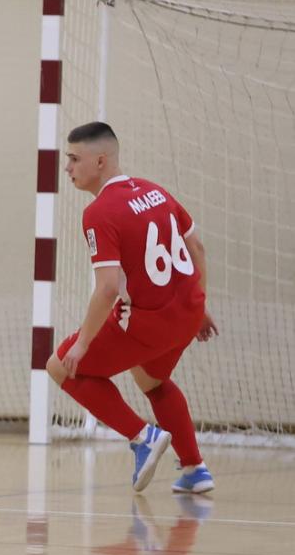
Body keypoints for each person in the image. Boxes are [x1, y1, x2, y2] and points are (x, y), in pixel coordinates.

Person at [47, 122, 216, 494]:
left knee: (60, 366)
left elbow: (107, 288)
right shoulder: (156, 191)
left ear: (100, 161)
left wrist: (82, 343)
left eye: (74, 159)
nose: (68, 167)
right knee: (151, 380)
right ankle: (195, 469)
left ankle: (143, 438)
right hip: (188, 313)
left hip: (148, 322)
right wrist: (201, 304)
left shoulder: (99, 212)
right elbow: (197, 249)